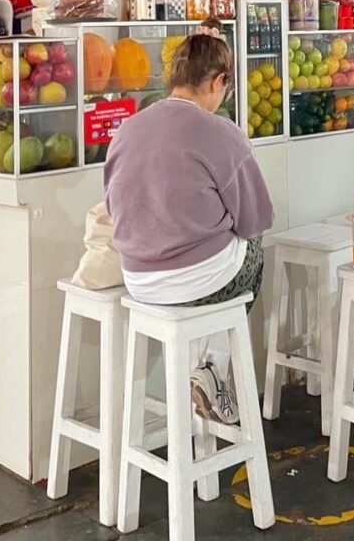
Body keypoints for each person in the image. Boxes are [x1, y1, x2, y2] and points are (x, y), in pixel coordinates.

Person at [105, 33, 273, 422]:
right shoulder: (221, 131)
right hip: (198, 283)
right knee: (254, 250)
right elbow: (255, 218)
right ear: (218, 82)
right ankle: (211, 367)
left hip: (138, 282)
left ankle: (206, 373)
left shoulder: (127, 128)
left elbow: (114, 206)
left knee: (229, 248)